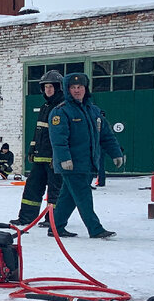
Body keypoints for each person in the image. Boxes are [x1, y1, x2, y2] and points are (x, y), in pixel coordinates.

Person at [48, 72, 124, 239]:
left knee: (68, 197)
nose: (77, 90)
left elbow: (106, 135)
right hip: (72, 165)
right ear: (67, 90)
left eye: (80, 87)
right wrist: (64, 159)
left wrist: (116, 153)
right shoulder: (60, 112)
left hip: (88, 163)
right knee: (83, 196)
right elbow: (58, 139)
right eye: (73, 88)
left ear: (85, 88)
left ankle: (56, 227)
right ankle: (95, 229)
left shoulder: (93, 111)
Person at [11, 70, 64, 227]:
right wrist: (32, 148)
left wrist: (58, 155)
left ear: (59, 88)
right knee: (32, 188)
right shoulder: (45, 107)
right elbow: (38, 131)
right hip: (40, 157)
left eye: (51, 87)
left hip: (54, 159)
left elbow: (62, 135)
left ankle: (52, 220)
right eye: (46, 87)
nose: (48, 90)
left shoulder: (62, 107)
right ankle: (26, 217)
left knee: (55, 191)